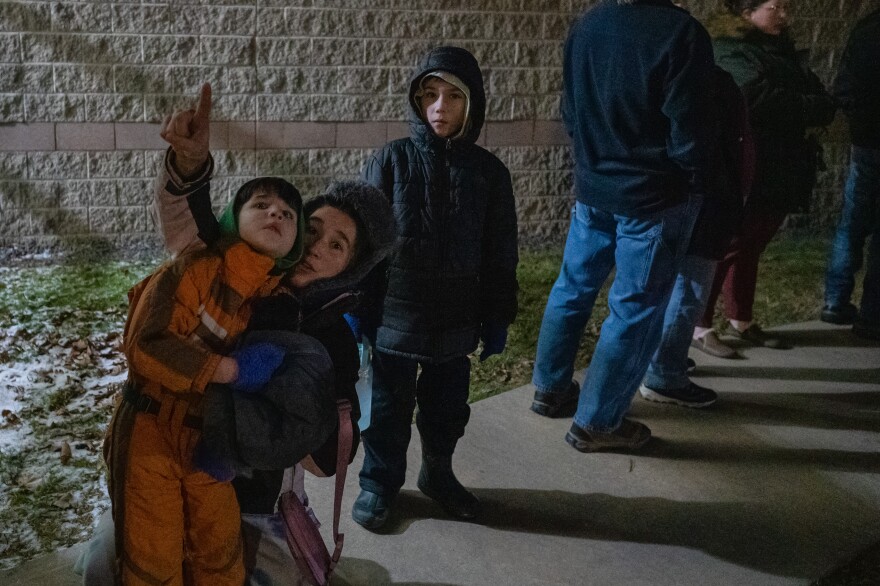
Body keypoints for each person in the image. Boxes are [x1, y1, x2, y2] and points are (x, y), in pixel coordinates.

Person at [79, 84, 397, 586]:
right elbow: (188, 221)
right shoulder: (229, 263)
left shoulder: (330, 337)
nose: (317, 247)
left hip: (253, 500)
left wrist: (283, 413)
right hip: (158, 453)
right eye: (312, 228)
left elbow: (325, 460)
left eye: (338, 245)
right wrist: (189, 163)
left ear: (350, 269)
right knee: (108, 566)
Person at [529, 0, 713, 452]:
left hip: (594, 188)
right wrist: (695, 178)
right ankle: (598, 422)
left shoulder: (589, 23)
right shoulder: (681, 33)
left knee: (572, 288)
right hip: (652, 197)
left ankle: (549, 390)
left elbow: (570, 111)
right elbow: (688, 128)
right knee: (634, 309)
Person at [104, 174, 306, 585]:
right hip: (150, 432)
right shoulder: (194, 269)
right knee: (151, 556)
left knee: (219, 550)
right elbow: (146, 346)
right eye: (261, 205)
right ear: (232, 219)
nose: (275, 213)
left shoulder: (273, 303)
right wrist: (229, 370)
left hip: (211, 443)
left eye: (288, 214)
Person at [353, 45, 519, 529]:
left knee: (447, 409)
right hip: (396, 319)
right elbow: (366, 244)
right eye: (429, 95)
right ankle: (378, 483)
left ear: (474, 104)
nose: (439, 107)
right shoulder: (392, 160)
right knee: (386, 409)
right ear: (415, 101)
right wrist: (358, 308)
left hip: (455, 320)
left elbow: (499, 252)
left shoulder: (489, 174)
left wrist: (497, 315)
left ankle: (438, 473)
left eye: (453, 96)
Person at [692, 0, 837, 357]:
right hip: (751, 165)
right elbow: (757, 98)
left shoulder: (780, 52)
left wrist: (809, 104)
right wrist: (810, 106)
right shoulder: (729, 50)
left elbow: (817, 95)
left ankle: (742, 319)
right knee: (730, 244)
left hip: (781, 165)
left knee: (752, 246)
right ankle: (700, 325)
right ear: (746, 13)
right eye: (776, 6)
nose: (785, 14)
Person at [639, 66, 754, 407]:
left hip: (672, 195)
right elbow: (729, 143)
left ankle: (662, 359)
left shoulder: (658, 75)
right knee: (690, 286)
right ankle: (664, 375)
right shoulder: (709, 81)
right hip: (705, 194)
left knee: (666, 285)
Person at [820, 6, 880, 341]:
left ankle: (835, 300)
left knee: (852, 219)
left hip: (865, 139)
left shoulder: (866, 27)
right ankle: (873, 314)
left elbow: (844, 85)